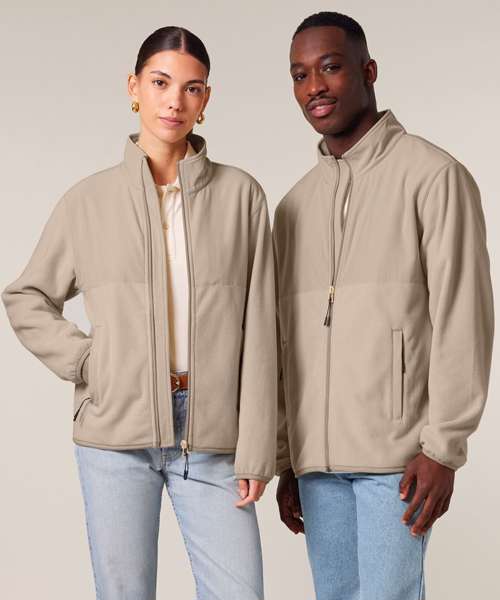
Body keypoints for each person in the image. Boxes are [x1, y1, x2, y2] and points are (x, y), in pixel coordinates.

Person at [2, 25, 277, 600]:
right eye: (160, 83)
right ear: (134, 88)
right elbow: (26, 296)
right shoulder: (89, 201)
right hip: (115, 435)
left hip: (214, 433)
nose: (174, 101)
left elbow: (261, 330)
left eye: (191, 88)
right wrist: (90, 361)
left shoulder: (241, 196)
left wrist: (258, 445)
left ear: (205, 99)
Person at [273, 11, 494, 600]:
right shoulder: (293, 208)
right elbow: (285, 341)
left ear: (368, 71)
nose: (314, 86)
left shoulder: (434, 177)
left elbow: (463, 318)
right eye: (299, 75)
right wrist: (288, 456)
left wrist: (442, 448)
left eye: (330, 67)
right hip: (317, 468)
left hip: (398, 462)